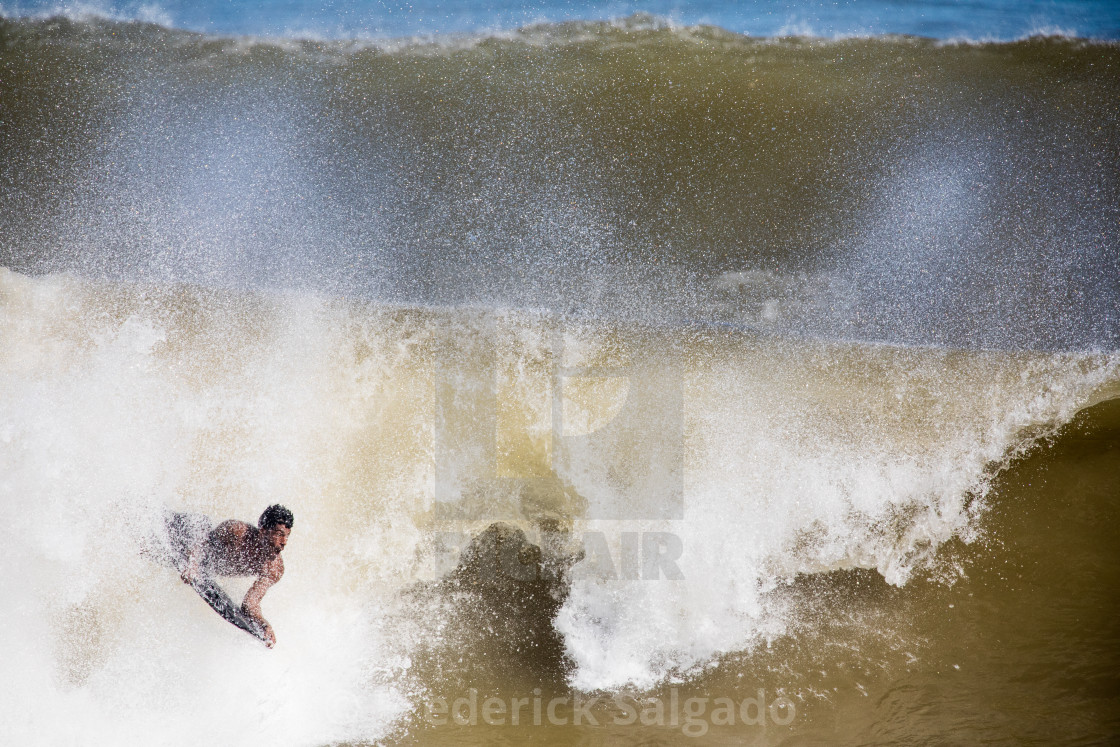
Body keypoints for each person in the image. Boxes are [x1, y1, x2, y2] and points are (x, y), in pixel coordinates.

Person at [174, 505, 294, 648]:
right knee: (200, 521)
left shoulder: (274, 568)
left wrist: (263, 624)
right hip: (187, 538)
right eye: (279, 534)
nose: (284, 542)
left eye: (287, 535)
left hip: (202, 566)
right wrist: (193, 563)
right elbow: (202, 536)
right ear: (263, 531)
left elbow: (250, 604)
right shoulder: (238, 532)